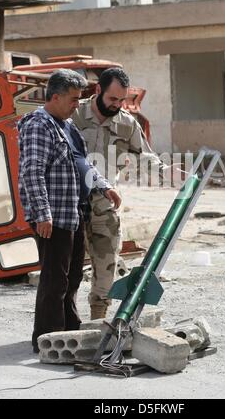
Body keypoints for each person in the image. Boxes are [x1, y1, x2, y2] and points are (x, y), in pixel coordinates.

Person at [18, 69, 121, 353]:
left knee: (72, 276)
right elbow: (32, 172)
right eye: (74, 99)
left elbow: (83, 163)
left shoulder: (66, 125)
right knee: (55, 279)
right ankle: (48, 340)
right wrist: (42, 214)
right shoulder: (39, 124)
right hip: (53, 217)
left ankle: (69, 332)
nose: (78, 105)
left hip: (73, 213)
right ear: (56, 97)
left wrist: (104, 186)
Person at [73, 67, 174, 320]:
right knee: (67, 267)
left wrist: (167, 172)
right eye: (112, 99)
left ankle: (98, 322)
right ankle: (65, 322)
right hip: (70, 202)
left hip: (104, 204)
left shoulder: (127, 124)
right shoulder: (74, 115)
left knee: (106, 265)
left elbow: (145, 156)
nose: (117, 105)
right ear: (98, 90)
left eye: (122, 100)